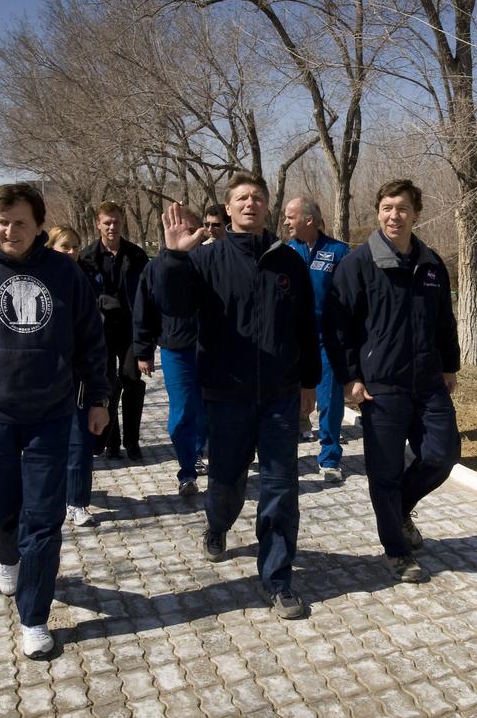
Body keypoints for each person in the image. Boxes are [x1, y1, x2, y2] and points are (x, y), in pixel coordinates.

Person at [0, 183, 110, 660]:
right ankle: (7, 556)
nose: (11, 231)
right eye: (3, 222)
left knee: (44, 520)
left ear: (38, 225)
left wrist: (98, 399)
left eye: (21, 222)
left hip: (52, 418)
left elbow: (92, 340)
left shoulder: (65, 274)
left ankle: (34, 616)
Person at [152, 173, 320, 619]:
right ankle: (218, 522)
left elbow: (306, 327)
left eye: (258, 198)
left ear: (268, 207)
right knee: (227, 480)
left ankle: (278, 578)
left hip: (281, 395)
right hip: (226, 394)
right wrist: (172, 256)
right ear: (228, 209)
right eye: (241, 198)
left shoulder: (289, 262)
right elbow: (172, 306)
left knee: (282, 486)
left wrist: (309, 384)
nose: (250, 203)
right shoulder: (206, 260)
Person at [324, 179, 460, 585]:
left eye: (401, 208)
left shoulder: (432, 263)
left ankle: (399, 508)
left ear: (416, 212)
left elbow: (444, 322)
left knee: (443, 453)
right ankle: (397, 552)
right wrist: (350, 378)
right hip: (381, 387)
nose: (393, 216)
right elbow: (337, 326)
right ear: (378, 212)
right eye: (386, 208)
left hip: (428, 381)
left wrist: (449, 365)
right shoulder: (358, 264)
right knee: (383, 472)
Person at [132, 208, 207, 498]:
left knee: (207, 411)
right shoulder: (158, 267)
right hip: (178, 350)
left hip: (213, 349)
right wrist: (143, 350)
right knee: (183, 411)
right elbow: (144, 309)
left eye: (190, 230)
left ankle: (198, 450)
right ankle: (187, 471)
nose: (183, 235)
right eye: (177, 230)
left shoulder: (210, 260)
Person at [283, 196, 351, 482]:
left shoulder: (339, 252)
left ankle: (330, 457)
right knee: (287, 399)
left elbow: (350, 298)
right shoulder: (285, 252)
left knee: (330, 399)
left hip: (326, 340)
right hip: (292, 339)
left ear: (308, 220)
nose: (285, 222)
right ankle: (284, 456)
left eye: (290, 216)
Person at [78, 202, 149, 460]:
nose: (111, 227)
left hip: (130, 330)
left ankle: (131, 440)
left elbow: (146, 297)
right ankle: (110, 440)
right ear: (98, 224)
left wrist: (148, 340)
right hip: (100, 332)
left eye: (116, 222)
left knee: (132, 381)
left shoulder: (137, 255)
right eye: (107, 222)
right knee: (107, 386)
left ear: (122, 223)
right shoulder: (86, 258)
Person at [47, 225, 98, 527]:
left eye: (75, 246)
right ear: (51, 247)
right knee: (50, 446)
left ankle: (77, 502)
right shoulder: (40, 280)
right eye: (64, 246)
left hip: (79, 376)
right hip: (45, 379)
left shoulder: (87, 280)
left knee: (80, 442)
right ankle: (49, 495)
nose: (71, 252)